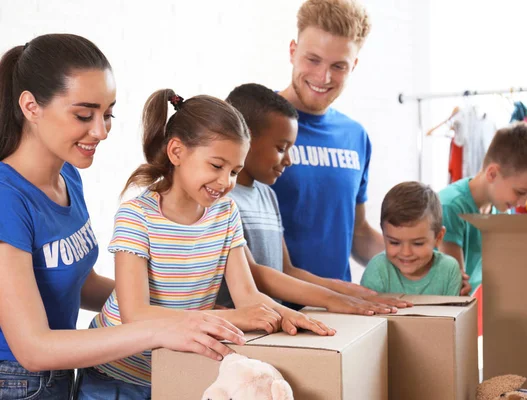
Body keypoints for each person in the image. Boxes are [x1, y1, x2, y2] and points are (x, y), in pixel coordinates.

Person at [0, 34, 244, 400]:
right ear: (31, 106)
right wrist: (157, 328)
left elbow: (73, 283)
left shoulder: (68, 177)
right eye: (84, 115)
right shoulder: (7, 199)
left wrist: (166, 307)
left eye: (108, 113)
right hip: (17, 382)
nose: (101, 131)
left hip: (65, 374)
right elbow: (33, 349)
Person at [76, 89, 335, 398]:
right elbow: (136, 315)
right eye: (216, 166)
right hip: (115, 375)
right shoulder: (137, 216)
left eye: (234, 171)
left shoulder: (225, 213)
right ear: (176, 153)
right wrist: (231, 318)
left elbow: (247, 294)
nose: (226, 181)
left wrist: (285, 314)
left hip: (176, 369)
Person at [218, 83, 412, 314]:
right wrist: (330, 298)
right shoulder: (221, 200)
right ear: (246, 138)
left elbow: (285, 270)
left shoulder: (267, 195)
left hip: (275, 322)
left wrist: (346, 290)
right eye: (281, 148)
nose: (288, 160)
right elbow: (255, 276)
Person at [271, 0, 384, 287]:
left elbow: (358, 234)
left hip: (338, 314)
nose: (324, 77)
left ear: (353, 66)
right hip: (268, 316)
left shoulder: (355, 136)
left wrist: (428, 263)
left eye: (339, 66)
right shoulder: (252, 124)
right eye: (313, 60)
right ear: (292, 51)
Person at [438, 123, 527, 296]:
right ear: (492, 173)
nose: (523, 203)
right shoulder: (450, 207)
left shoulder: (500, 208)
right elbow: (456, 290)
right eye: (521, 192)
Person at [360, 182, 462, 296]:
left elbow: (456, 313)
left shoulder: (449, 270)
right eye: (394, 242)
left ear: (438, 237)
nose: (406, 253)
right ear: (384, 235)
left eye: (418, 243)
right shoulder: (377, 269)